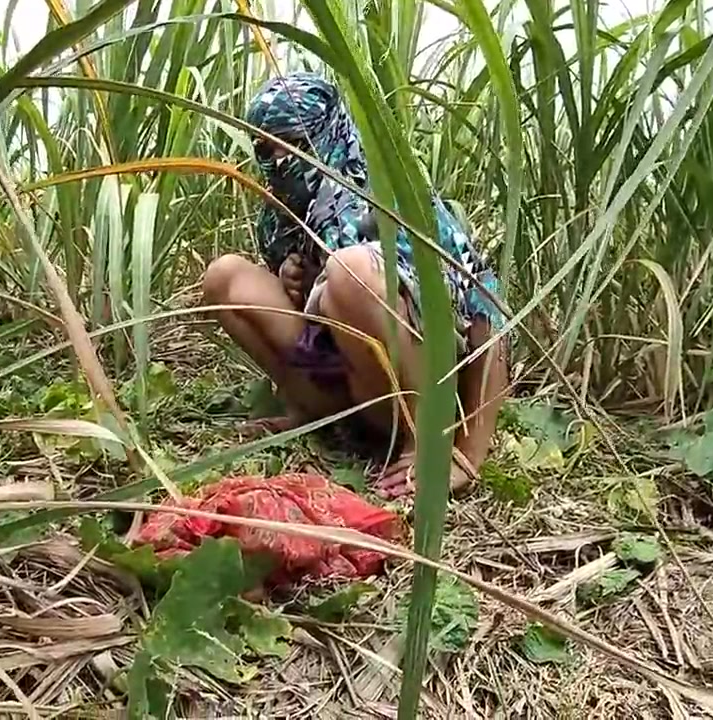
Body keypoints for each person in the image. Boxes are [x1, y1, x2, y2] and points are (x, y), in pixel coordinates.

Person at [202, 71, 510, 500]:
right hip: (349, 382)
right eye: (265, 148)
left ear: (330, 131)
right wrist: (293, 280)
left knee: (350, 271)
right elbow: (307, 319)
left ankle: (425, 437)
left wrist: (469, 453)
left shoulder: (387, 187)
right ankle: (312, 413)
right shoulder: (281, 212)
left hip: (422, 385)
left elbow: (484, 307)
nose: (280, 160)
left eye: (294, 142)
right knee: (225, 276)